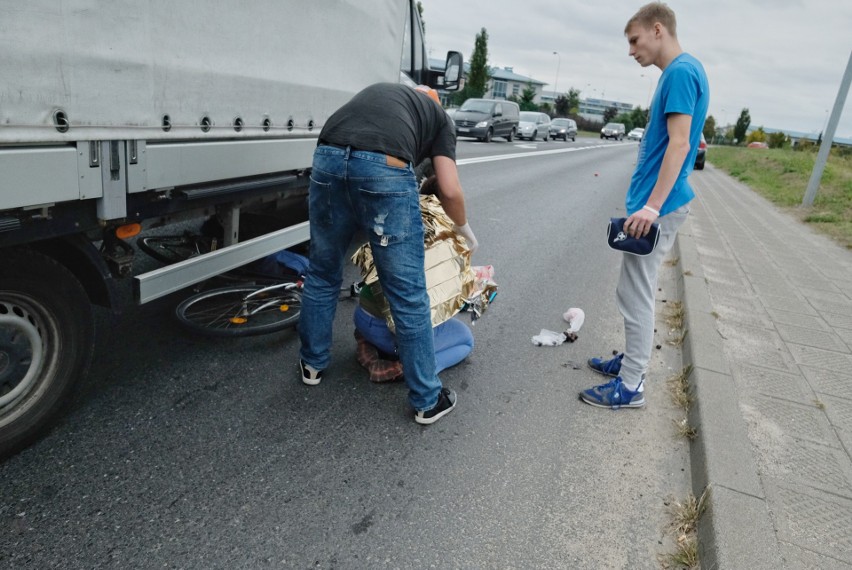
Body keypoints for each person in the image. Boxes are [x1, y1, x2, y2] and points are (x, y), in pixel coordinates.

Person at [297, 82, 477, 425]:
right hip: (383, 166)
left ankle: (312, 364)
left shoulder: (385, 95)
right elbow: (449, 188)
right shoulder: (441, 119)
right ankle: (427, 400)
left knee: (322, 271)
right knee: (407, 293)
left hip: (328, 157)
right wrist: (465, 231)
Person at [580, 2, 709, 409]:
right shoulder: (683, 72)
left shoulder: (681, 72)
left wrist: (651, 208)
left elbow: (680, 142)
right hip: (659, 203)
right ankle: (630, 362)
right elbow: (681, 139)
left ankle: (632, 385)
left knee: (635, 294)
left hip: (661, 206)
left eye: (634, 40)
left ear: (658, 30)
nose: (631, 50)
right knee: (630, 288)